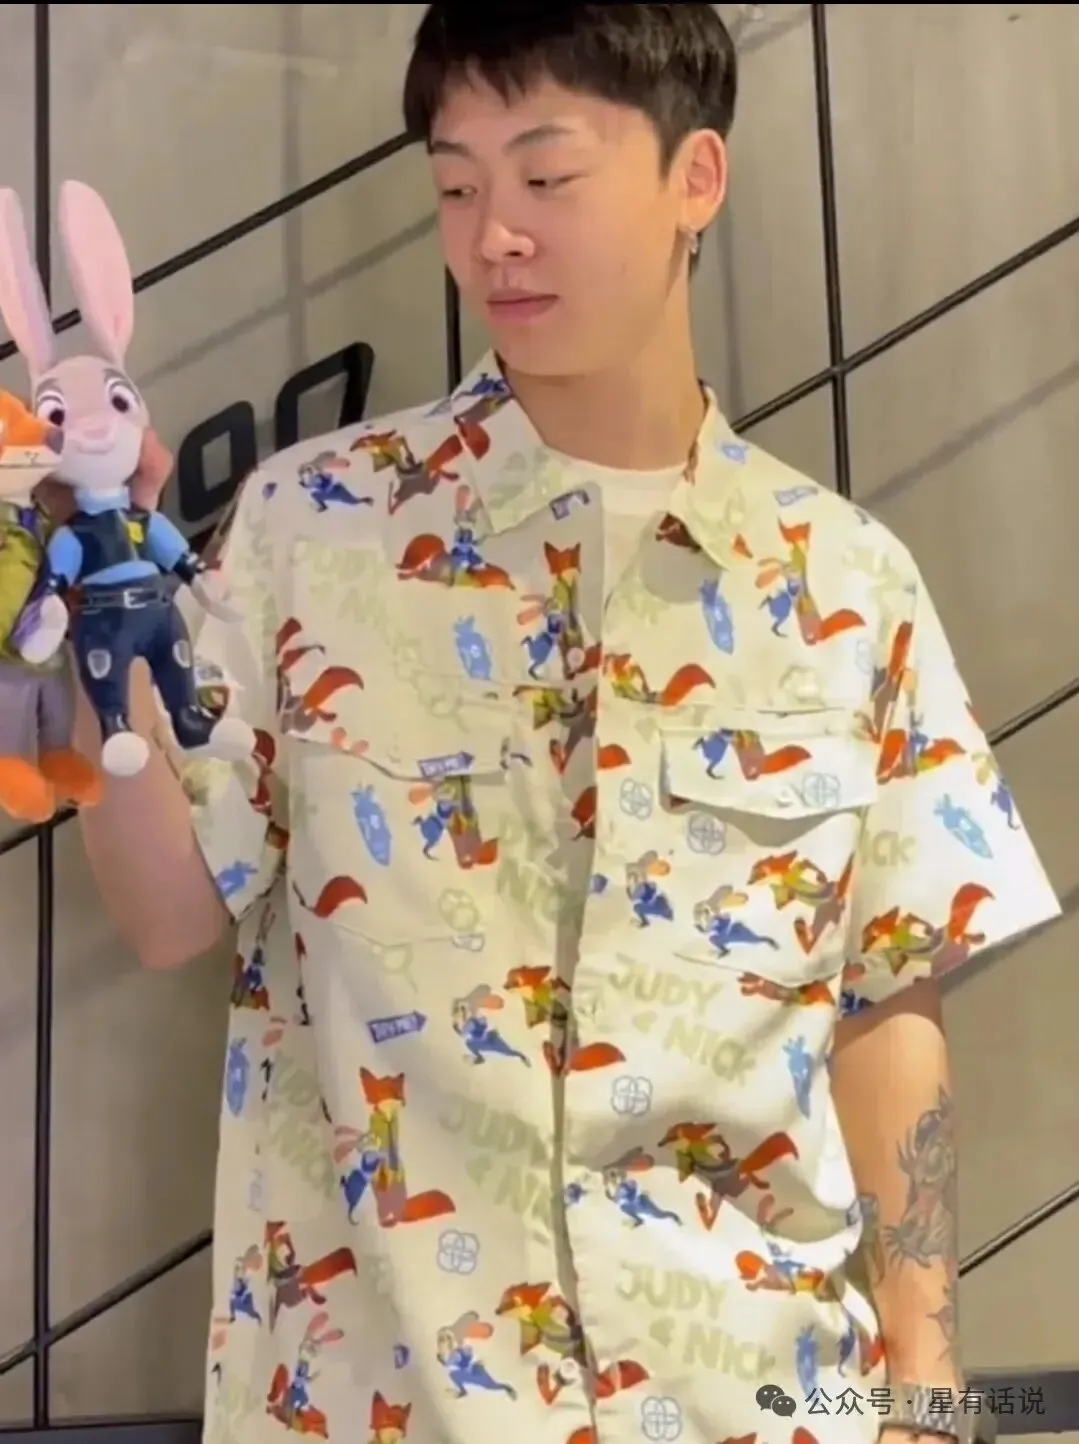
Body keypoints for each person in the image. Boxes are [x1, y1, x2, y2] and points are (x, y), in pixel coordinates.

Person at [77, 7, 1059, 1443]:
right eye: (457, 185)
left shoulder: (844, 582)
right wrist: (92, 652)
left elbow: (885, 993)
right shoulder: (312, 527)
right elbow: (167, 913)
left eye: (546, 177)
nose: (495, 237)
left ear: (694, 180)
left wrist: (922, 1370)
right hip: (389, 1401)